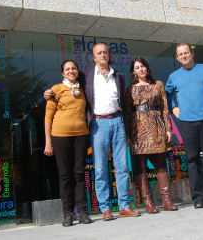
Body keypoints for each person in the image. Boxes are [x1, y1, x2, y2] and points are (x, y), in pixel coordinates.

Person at [45, 43, 140, 221]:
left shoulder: (118, 76)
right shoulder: (85, 75)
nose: (102, 55)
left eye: (105, 52)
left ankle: (124, 206)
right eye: (99, 53)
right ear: (94, 58)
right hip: (98, 123)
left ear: (109, 55)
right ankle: (105, 208)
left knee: (122, 167)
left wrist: (126, 130)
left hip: (118, 121)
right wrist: (49, 93)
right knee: (101, 168)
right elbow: (67, 81)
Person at [165, 43, 203, 209]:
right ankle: (198, 199)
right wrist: (173, 107)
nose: (184, 56)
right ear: (177, 58)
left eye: (186, 53)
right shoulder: (173, 76)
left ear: (192, 54)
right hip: (187, 122)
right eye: (180, 54)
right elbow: (167, 94)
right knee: (192, 161)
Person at [125, 57, 178, 214]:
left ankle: (167, 201)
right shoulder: (130, 89)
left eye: (143, 66)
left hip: (156, 128)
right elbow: (128, 113)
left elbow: (164, 108)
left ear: (147, 68)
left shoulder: (158, 84)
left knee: (161, 165)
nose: (141, 69)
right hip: (137, 130)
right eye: (137, 67)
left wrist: (168, 129)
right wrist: (128, 135)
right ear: (133, 72)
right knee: (141, 167)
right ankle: (148, 202)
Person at [44, 60, 93, 226]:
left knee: (79, 173)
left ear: (77, 71)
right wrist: (48, 143)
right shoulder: (56, 89)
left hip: (81, 135)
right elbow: (48, 117)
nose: (71, 71)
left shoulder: (82, 89)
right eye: (67, 69)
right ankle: (68, 214)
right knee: (65, 176)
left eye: (73, 68)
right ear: (63, 73)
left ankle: (83, 212)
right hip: (60, 136)